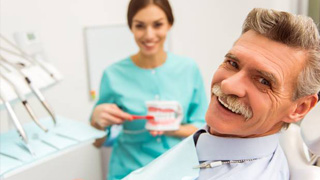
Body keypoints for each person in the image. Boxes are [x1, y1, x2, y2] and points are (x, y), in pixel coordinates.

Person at [124, 8, 320, 180]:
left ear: (299, 108)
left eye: (263, 81)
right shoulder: (217, 139)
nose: (228, 85)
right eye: (233, 64)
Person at [90, 0, 208, 179]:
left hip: (178, 171)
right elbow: (98, 143)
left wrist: (170, 128)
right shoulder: (113, 74)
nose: (149, 35)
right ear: (131, 27)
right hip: (128, 172)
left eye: (158, 24)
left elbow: (203, 131)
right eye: (140, 26)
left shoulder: (188, 69)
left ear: (169, 23)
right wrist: (97, 121)